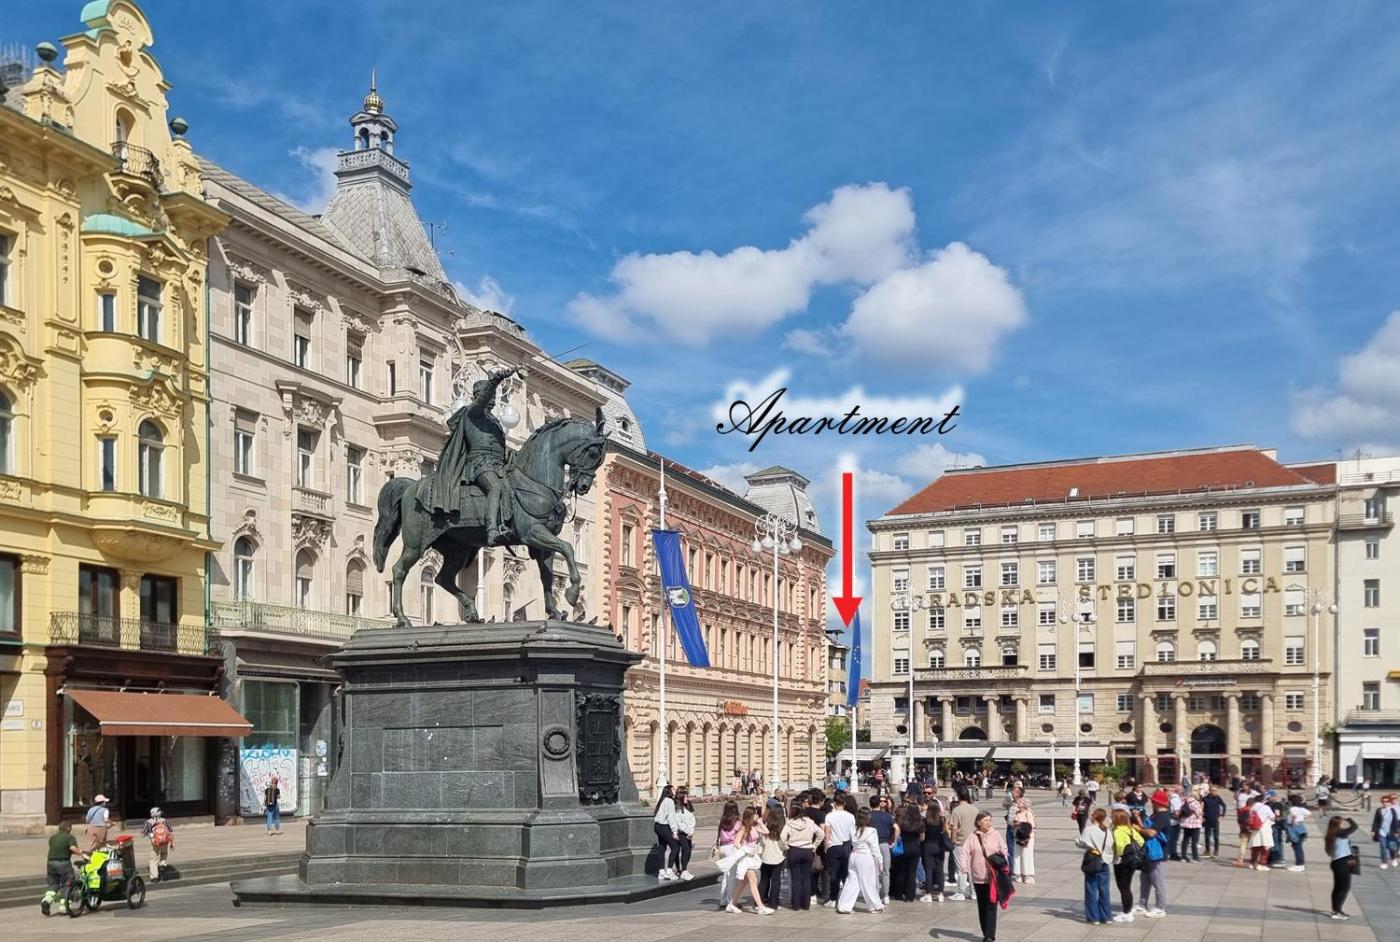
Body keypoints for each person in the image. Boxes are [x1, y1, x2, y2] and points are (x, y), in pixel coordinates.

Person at [429, 364, 524, 543]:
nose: (493, 399)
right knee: (495, 486)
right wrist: (497, 379)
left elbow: (500, 447)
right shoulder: (472, 413)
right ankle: (492, 529)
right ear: (480, 396)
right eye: (490, 395)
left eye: (494, 396)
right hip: (480, 464)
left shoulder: (494, 420)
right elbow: (482, 400)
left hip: (498, 464)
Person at [962, 811, 1009, 942]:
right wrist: (964, 867)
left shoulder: (996, 834)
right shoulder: (973, 836)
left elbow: (1005, 850)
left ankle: (989, 935)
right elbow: (965, 852)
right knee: (982, 905)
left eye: (990, 820)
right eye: (986, 820)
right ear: (979, 822)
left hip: (993, 876)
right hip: (978, 876)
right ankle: (985, 931)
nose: (989, 823)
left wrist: (1003, 860)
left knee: (991, 905)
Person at [725, 807, 775, 915]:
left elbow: (766, 831)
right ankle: (761, 907)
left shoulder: (754, 826)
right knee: (753, 881)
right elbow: (736, 842)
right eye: (755, 814)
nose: (757, 816)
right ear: (750, 816)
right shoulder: (743, 828)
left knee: (743, 883)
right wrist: (745, 849)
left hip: (752, 857)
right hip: (746, 858)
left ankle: (731, 904)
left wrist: (760, 822)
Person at [837, 808, 885, 913]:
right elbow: (875, 848)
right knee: (868, 882)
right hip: (865, 857)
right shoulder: (871, 831)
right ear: (868, 817)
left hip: (854, 855)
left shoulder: (853, 829)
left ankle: (844, 906)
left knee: (851, 881)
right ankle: (875, 906)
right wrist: (880, 861)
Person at [1076, 807, 1115, 926]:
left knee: (1091, 889)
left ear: (1094, 817)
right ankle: (1106, 916)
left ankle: (1093, 917)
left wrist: (1077, 841)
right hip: (1104, 862)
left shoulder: (1089, 830)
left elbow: (1081, 843)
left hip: (1092, 862)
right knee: (1104, 890)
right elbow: (1110, 847)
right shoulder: (1107, 831)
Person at [1136, 791, 1171, 917]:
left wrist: (1139, 829)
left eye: (1152, 801)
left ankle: (1161, 908)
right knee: (1145, 880)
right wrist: (1138, 820)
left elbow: (1151, 833)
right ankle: (1142, 905)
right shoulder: (1156, 815)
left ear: (1157, 802)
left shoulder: (1163, 816)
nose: (1151, 803)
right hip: (1149, 851)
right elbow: (1147, 828)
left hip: (1158, 853)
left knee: (1157, 881)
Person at [781, 800, 821, 910]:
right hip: (807, 850)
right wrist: (814, 845)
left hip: (794, 850)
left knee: (796, 879)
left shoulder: (789, 823)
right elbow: (820, 833)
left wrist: (786, 847)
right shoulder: (809, 822)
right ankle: (806, 904)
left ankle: (796, 904)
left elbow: (782, 837)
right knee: (806, 878)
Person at [40, 821, 84, 916]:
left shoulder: (52, 838)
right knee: (68, 883)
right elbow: (72, 848)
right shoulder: (69, 837)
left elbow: (59, 848)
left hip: (51, 863)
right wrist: (81, 853)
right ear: (68, 828)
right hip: (63, 863)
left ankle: (47, 900)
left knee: (53, 884)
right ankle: (64, 905)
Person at [822, 793, 857, 907]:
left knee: (834, 875)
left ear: (834, 802)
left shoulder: (829, 816)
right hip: (846, 846)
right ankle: (846, 899)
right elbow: (853, 834)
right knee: (845, 874)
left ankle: (833, 899)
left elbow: (827, 835)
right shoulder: (850, 816)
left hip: (833, 846)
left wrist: (826, 848)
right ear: (844, 803)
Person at [1110, 807, 1143, 922]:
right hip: (1132, 861)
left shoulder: (1117, 831)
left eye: (1112, 817)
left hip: (1122, 862)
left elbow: (1120, 846)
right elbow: (1141, 841)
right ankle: (1128, 910)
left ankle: (1127, 912)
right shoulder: (1130, 829)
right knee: (1127, 886)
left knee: (1123, 887)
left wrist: (1119, 855)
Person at [948, 787, 979, 901]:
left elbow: (954, 828)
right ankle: (974, 892)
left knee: (961, 868)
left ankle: (961, 892)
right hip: (973, 841)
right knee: (972, 868)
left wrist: (952, 840)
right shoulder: (974, 809)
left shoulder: (957, 810)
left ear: (958, 796)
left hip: (961, 842)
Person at [890, 798, 924, 902]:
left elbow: (898, 832)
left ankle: (899, 894)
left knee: (901, 872)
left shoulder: (903, 820)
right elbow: (922, 838)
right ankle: (910, 896)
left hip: (904, 847)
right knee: (912, 873)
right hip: (915, 847)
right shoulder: (920, 822)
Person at [1325, 816, 1358, 920]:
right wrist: (1349, 819)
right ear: (1338, 824)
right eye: (1341, 822)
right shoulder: (1340, 833)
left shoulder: (1331, 833)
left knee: (1338, 888)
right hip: (1341, 863)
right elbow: (1355, 827)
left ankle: (1336, 910)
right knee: (1343, 888)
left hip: (1336, 862)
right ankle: (1337, 911)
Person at [757, 803, 786, 911]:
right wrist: (786, 849)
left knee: (764, 879)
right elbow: (783, 843)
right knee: (776, 880)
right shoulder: (783, 827)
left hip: (766, 856)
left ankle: (759, 901)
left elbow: (762, 841)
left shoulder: (766, 826)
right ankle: (774, 903)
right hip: (779, 856)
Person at [714, 800, 741, 908]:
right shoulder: (737, 822)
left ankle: (723, 899)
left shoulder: (721, 821)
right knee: (732, 876)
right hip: (732, 848)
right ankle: (731, 900)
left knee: (726, 874)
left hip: (723, 848)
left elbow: (719, 835)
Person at [869, 795, 896, 904]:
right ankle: (886, 895)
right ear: (879, 804)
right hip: (884, 843)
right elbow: (897, 828)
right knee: (886, 871)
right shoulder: (888, 816)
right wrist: (893, 840)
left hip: (872, 844)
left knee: (873, 871)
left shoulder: (868, 815)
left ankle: (874, 893)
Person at [921, 799, 948, 903]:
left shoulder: (925, 820)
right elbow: (945, 832)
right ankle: (941, 894)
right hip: (939, 846)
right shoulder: (942, 820)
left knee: (929, 870)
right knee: (940, 870)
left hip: (928, 845)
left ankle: (928, 894)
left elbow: (922, 836)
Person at [652, 784, 681, 881]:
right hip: (663, 826)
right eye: (673, 789)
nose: (675, 790)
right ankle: (669, 870)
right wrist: (675, 831)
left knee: (662, 847)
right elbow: (671, 817)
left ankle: (661, 872)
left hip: (657, 826)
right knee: (675, 847)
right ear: (669, 791)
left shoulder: (662, 800)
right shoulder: (669, 801)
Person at [143, 805, 175, 881]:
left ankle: (154, 877)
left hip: (155, 842)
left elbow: (143, 833)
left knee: (153, 859)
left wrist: (150, 835)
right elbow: (170, 832)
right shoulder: (164, 821)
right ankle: (162, 864)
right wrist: (172, 843)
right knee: (164, 853)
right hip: (164, 842)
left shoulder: (149, 822)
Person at [1012, 796, 1036, 884]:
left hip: (1027, 837)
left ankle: (1027, 875)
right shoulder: (1016, 813)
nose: (1018, 803)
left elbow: (1032, 825)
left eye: (1021, 802)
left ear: (1025, 805)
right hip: (1017, 837)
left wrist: (1020, 824)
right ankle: (1017, 874)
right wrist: (1014, 824)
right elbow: (1012, 824)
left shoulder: (1028, 814)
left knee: (1027, 855)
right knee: (1016, 855)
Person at [1373, 793, 1400, 869]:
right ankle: (1384, 862)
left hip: (1392, 831)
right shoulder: (1379, 810)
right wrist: (1373, 830)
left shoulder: (1393, 810)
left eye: (1387, 801)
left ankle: (1393, 857)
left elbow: (1395, 821)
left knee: (1391, 846)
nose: (1385, 803)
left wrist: (1396, 831)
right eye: (1383, 801)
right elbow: (1376, 821)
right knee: (1383, 847)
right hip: (1382, 832)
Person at [1285, 793, 1311, 872]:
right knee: (1298, 846)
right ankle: (1299, 863)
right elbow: (1309, 814)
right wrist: (1302, 819)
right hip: (1301, 827)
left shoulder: (1292, 809)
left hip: (1294, 827)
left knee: (1297, 847)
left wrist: (1293, 822)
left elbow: (1294, 816)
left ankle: (1300, 864)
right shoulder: (1301, 809)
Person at [675, 788, 696, 880]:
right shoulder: (677, 809)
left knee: (688, 851)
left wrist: (691, 831)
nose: (687, 798)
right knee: (685, 850)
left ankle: (684, 869)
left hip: (689, 833)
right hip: (681, 833)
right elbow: (679, 823)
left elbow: (692, 820)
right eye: (685, 797)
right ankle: (683, 870)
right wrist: (688, 831)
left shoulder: (687, 808)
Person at [1001, 785, 1023, 873]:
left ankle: (1016, 868)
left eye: (1014, 791)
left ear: (1018, 793)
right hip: (1009, 827)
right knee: (1010, 848)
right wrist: (1008, 799)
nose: (1012, 792)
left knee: (1016, 849)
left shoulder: (1022, 804)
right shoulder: (1011, 803)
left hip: (1017, 828)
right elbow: (1003, 804)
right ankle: (1012, 868)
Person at [1178, 789, 1203, 863]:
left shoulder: (1184, 801)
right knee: (1194, 841)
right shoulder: (1195, 803)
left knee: (1185, 840)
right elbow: (1199, 813)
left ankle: (1183, 856)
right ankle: (1195, 857)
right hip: (1195, 824)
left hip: (1186, 823)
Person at [1202, 784, 1226, 858]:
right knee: (1207, 836)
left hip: (1215, 820)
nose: (1214, 792)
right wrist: (1202, 817)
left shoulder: (1218, 798)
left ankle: (1216, 851)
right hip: (1207, 820)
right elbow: (1201, 808)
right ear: (1209, 791)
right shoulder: (1205, 799)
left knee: (1216, 837)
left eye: (1215, 791)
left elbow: (1224, 805)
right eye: (1212, 790)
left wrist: (1222, 815)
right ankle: (1207, 851)